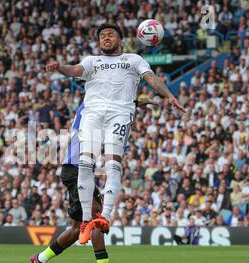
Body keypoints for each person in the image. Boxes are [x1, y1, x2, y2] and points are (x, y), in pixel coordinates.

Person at [45, 23, 185, 244]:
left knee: (113, 164)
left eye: (110, 34)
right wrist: (60, 67)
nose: (105, 38)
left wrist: (169, 96)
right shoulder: (93, 61)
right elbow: (75, 70)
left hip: (120, 115)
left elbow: (152, 79)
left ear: (120, 40)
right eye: (102, 36)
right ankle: (85, 219)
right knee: (85, 162)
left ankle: (105, 216)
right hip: (92, 114)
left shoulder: (133, 59)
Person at [30, 99, 157, 263]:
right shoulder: (90, 106)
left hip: (78, 171)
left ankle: (40, 259)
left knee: (76, 229)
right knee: (98, 220)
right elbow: (110, 102)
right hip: (76, 171)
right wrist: (133, 103)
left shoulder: (92, 110)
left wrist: (134, 104)